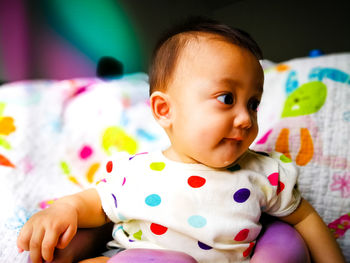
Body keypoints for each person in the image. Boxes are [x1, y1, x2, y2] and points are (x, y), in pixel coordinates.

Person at [17, 17, 345, 263]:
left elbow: (303, 218)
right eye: (227, 99)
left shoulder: (264, 172)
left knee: (285, 244)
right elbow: (97, 205)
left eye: (253, 103)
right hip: (140, 258)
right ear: (165, 110)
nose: (246, 118)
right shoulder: (138, 172)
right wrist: (63, 209)